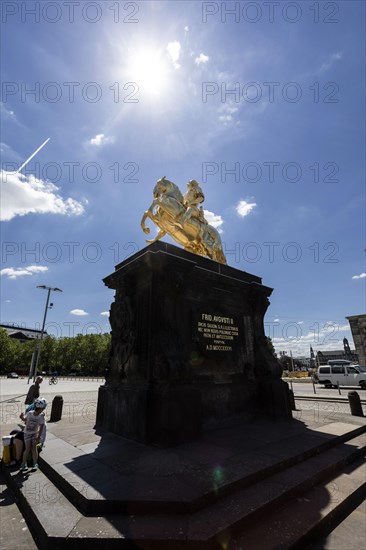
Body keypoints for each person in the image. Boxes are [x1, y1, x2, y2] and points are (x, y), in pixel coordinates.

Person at [20, 397, 47, 472]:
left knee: (34, 448)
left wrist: (39, 436)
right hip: (27, 434)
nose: (41, 411)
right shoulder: (30, 413)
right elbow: (25, 419)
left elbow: (41, 426)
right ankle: (23, 463)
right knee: (27, 448)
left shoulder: (41, 416)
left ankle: (35, 464)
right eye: (42, 409)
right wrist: (22, 417)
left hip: (34, 434)